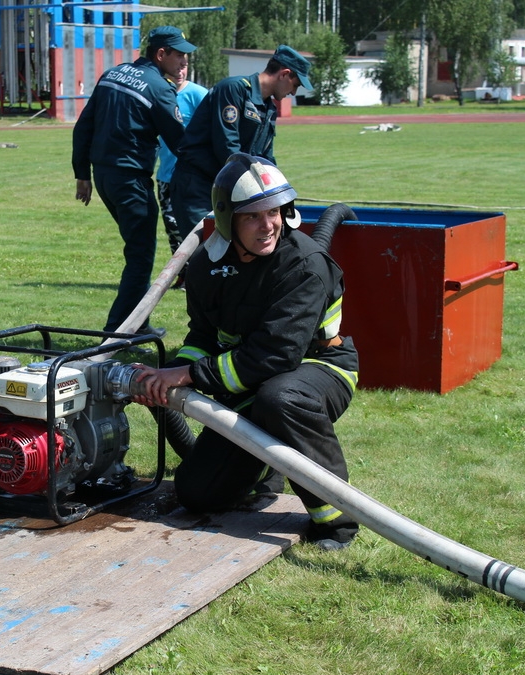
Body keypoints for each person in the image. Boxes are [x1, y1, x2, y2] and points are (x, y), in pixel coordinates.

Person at [131, 153, 360, 551]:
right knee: (197, 493)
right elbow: (203, 335)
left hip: (319, 368)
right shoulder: (207, 266)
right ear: (227, 220)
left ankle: (336, 521)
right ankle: (262, 474)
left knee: (280, 399)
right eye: (252, 215)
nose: (268, 224)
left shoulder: (306, 265)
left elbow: (276, 356)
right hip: (252, 380)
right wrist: (166, 377)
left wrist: (188, 377)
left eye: (274, 211)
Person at [71, 25, 195, 336]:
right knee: (140, 257)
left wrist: (82, 174)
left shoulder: (113, 74)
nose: (183, 62)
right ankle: (120, 331)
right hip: (130, 181)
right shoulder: (159, 88)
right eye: (179, 55)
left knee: (137, 252)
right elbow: (180, 141)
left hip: (105, 177)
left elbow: (84, 126)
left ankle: (137, 325)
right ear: (161, 53)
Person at [170, 45, 312, 242]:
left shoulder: (268, 108)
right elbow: (227, 148)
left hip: (230, 189)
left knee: (232, 255)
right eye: (295, 85)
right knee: (201, 252)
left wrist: (278, 191)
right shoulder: (234, 89)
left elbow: (265, 158)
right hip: (198, 187)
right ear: (285, 74)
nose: (293, 92)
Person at [155, 64, 208, 289]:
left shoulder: (198, 95)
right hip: (165, 176)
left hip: (192, 179)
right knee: (172, 227)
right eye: (175, 67)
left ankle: (199, 274)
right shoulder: (157, 93)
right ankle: (184, 275)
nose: (179, 71)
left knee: (194, 228)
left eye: (184, 66)